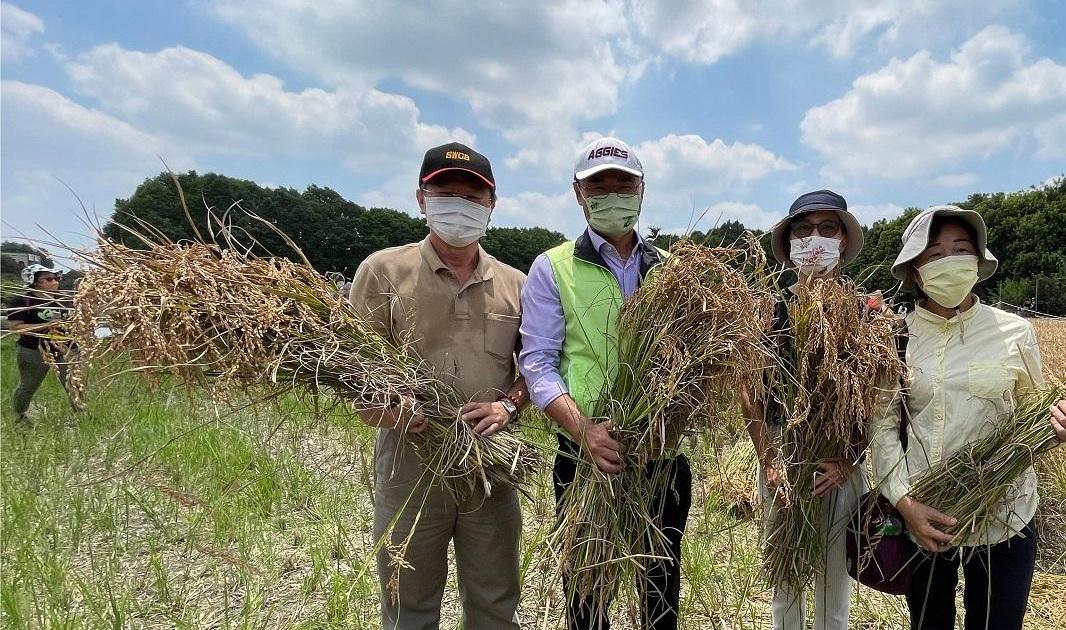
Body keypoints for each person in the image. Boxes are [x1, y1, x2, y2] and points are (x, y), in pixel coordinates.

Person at [348, 142, 529, 630]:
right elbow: (351, 373)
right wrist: (387, 406)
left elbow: (533, 369)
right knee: (409, 603)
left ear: (491, 206)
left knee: (495, 601)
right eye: (445, 192)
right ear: (421, 197)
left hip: (489, 462)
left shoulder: (516, 283)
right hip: (410, 462)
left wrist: (509, 407)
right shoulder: (383, 272)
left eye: (473, 198)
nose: (460, 206)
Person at [519, 137, 691, 630]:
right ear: (579, 194)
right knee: (587, 590)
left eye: (624, 184)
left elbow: (693, 362)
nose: (613, 195)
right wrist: (586, 431)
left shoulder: (674, 271)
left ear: (642, 190)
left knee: (660, 590)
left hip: (660, 456)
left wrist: (672, 419)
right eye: (599, 186)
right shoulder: (554, 268)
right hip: (584, 456)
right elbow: (538, 364)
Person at [871, 205, 1066, 630]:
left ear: (978, 262)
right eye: (935, 254)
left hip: (1006, 514)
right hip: (926, 514)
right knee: (929, 623)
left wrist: (1058, 426)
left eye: (961, 249)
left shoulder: (1015, 331)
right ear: (915, 270)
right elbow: (883, 430)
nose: (950, 261)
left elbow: (1035, 415)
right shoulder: (894, 337)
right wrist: (907, 507)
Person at [740, 190, 867, 630]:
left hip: (840, 459)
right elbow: (748, 391)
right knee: (785, 581)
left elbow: (880, 400)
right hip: (780, 452)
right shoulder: (768, 310)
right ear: (790, 242)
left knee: (835, 585)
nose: (815, 238)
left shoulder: (866, 312)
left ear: (844, 241)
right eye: (803, 229)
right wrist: (770, 461)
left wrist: (850, 460)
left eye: (827, 229)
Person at [6, 263, 76, 422]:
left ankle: (82, 415)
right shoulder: (22, 301)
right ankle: (20, 415)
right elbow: (16, 328)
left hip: (64, 347)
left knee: (72, 382)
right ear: (35, 282)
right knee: (29, 385)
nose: (55, 282)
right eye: (49, 279)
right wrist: (46, 326)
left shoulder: (64, 299)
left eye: (57, 278)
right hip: (34, 350)